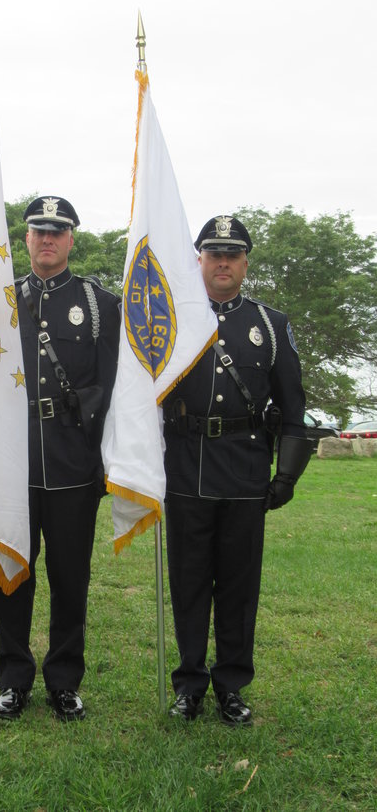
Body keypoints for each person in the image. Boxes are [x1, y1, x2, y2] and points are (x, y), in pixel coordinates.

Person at [163, 214, 311, 726]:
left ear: (245, 262)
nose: (222, 262)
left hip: (246, 474)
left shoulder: (271, 324)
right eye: (212, 253)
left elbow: (295, 410)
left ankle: (231, 685)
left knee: (239, 588)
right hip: (183, 470)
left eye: (232, 254)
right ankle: (188, 685)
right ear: (199, 260)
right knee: (188, 584)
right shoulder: (172, 321)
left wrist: (286, 476)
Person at [0, 196, 120, 721]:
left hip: (72, 460)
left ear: (72, 239)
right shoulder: (1, 300)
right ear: (25, 239)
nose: (47, 239)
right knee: (12, 574)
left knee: (71, 579)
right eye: (38, 230)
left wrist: (108, 459)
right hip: (13, 461)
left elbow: (115, 386)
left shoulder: (98, 303)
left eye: (57, 231)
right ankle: (13, 679)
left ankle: (64, 681)